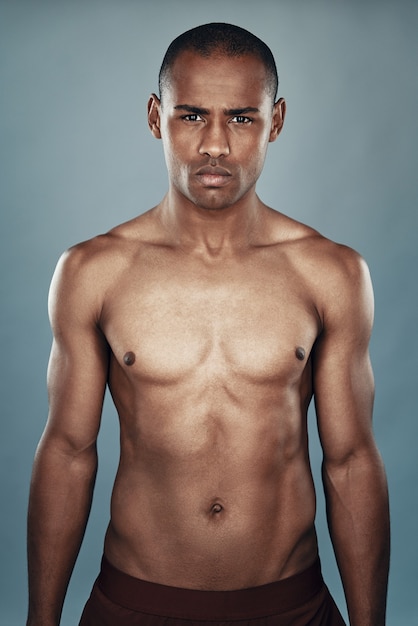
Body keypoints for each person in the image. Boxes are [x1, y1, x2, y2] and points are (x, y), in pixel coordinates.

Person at [26, 22, 390, 626]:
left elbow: (350, 459)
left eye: (241, 119)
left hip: (289, 607)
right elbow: (68, 451)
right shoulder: (94, 271)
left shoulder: (332, 273)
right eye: (191, 116)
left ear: (274, 121)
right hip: (135, 604)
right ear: (155, 116)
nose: (215, 144)